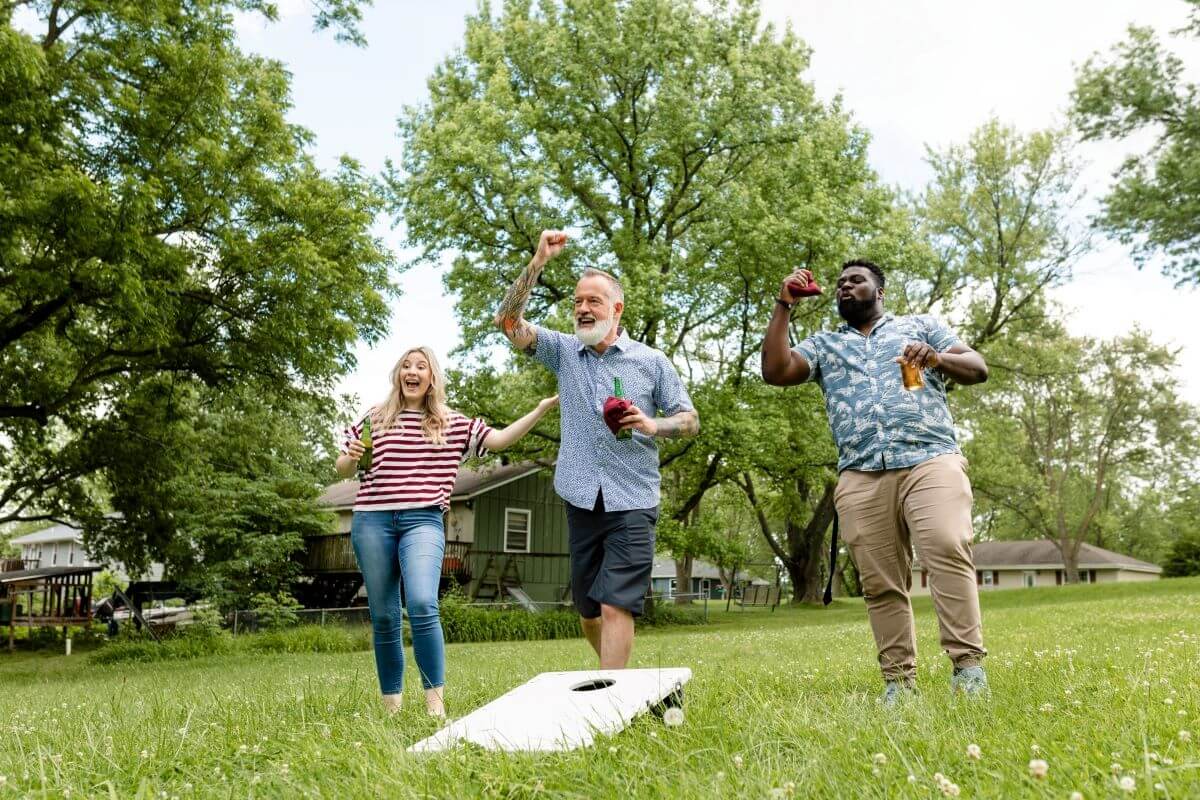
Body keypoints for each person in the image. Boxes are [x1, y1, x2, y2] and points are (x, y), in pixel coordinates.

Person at [761, 260, 991, 703]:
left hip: (930, 459)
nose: (846, 286)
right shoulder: (825, 345)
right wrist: (784, 304)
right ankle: (899, 684)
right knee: (880, 580)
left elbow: (977, 367)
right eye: (841, 283)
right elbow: (776, 371)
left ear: (879, 291)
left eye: (856, 280)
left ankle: (968, 669)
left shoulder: (920, 326)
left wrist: (937, 358)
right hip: (862, 473)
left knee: (945, 544)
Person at [494, 230, 700, 669]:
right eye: (577, 302)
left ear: (616, 309)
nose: (583, 310)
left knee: (614, 605)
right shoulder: (564, 352)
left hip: (633, 498)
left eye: (593, 302)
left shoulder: (651, 361)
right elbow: (508, 324)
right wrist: (536, 264)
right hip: (581, 495)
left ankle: (613, 700)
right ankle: (622, 680)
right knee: (589, 614)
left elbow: (690, 421)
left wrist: (652, 423)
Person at [336, 346, 557, 716]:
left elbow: (500, 440)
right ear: (398, 375)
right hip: (372, 521)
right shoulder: (376, 417)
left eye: (420, 366)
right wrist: (352, 455)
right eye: (406, 365)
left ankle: (434, 707)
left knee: (422, 602)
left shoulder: (452, 423)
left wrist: (538, 410)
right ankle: (391, 707)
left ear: (431, 377)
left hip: (423, 520)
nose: (412, 371)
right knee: (386, 614)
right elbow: (344, 467)